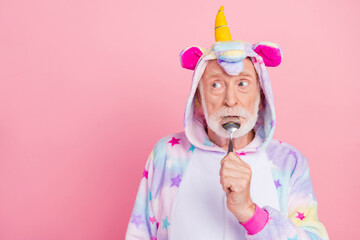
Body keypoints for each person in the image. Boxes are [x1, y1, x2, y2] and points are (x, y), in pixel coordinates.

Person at [125, 6, 329, 240]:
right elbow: (138, 234)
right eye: (216, 85)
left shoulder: (288, 163)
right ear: (198, 99)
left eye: (242, 84)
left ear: (261, 97)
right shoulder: (167, 155)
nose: (230, 100)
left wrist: (249, 213)